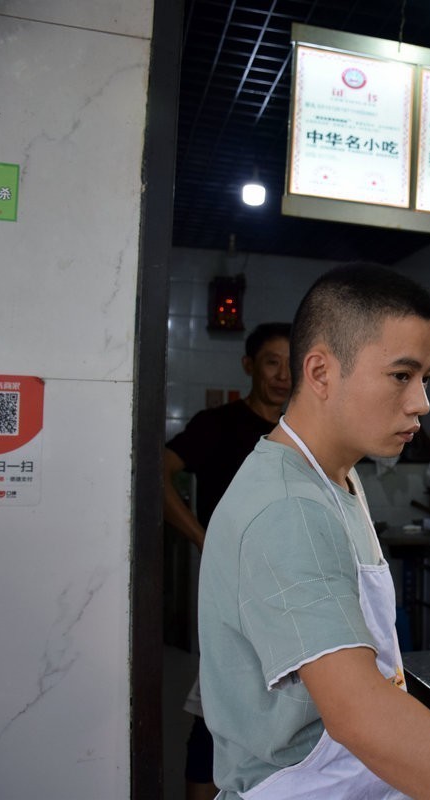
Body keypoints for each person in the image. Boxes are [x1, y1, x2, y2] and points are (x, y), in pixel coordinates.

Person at [198, 263, 430, 799]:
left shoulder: (338, 476)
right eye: (400, 376)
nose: (422, 403)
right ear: (319, 373)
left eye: (425, 379)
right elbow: (361, 716)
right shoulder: (288, 507)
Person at [163, 321, 292, 800]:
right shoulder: (216, 424)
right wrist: (201, 536)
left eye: (289, 364)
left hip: (286, 581)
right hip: (232, 580)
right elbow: (160, 471)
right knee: (217, 693)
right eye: (270, 362)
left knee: (285, 697)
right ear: (249, 366)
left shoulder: (296, 431)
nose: (281, 374)